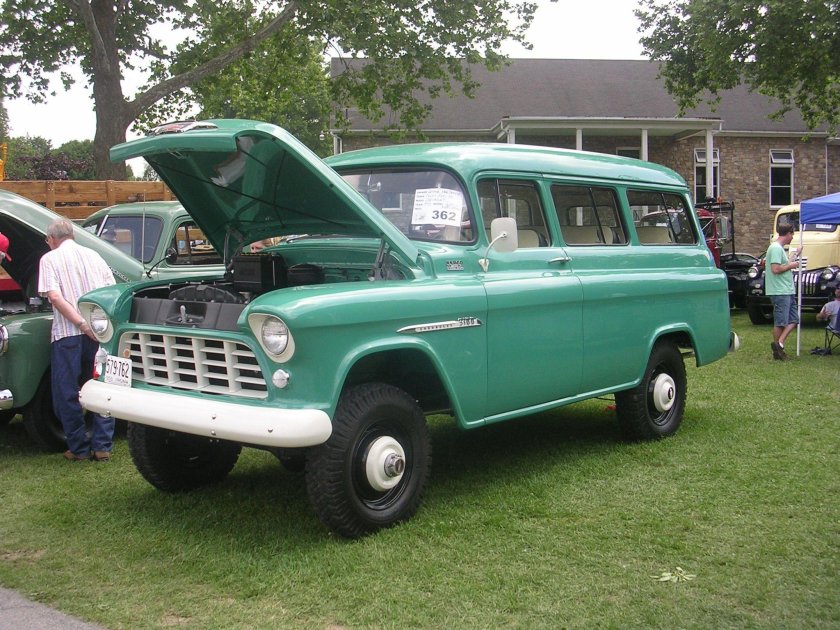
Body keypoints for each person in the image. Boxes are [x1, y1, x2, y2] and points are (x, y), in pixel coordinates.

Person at [38, 219, 116, 461]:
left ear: (52, 239)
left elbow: (55, 297)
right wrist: (95, 325)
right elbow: (111, 293)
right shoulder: (95, 256)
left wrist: (80, 324)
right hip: (98, 333)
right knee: (101, 387)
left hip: (67, 334)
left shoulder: (49, 259)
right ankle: (102, 446)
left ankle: (79, 447)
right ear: (72, 235)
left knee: (67, 392)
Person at [765, 223, 800, 361]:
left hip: (787, 290)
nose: (792, 237)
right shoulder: (775, 248)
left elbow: (784, 264)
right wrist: (791, 266)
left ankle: (779, 344)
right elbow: (776, 269)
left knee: (794, 319)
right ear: (788, 233)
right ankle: (778, 352)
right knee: (780, 322)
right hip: (779, 291)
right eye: (792, 234)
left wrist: (795, 254)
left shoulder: (779, 248)